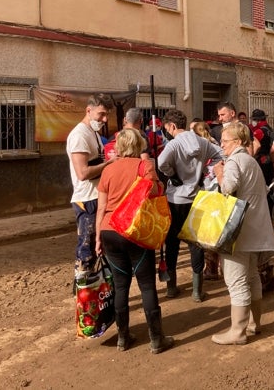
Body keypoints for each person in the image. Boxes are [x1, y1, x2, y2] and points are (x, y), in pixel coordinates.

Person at [95, 129, 174, 354]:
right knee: (146, 284)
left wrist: (97, 237)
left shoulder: (108, 170)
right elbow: (158, 191)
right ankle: (156, 339)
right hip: (135, 231)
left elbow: (101, 207)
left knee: (120, 285)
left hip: (109, 230)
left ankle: (122, 337)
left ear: (118, 146)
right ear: (139, 145)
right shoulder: (144, 166)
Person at [211, 123, 274, 345]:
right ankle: (253, 324)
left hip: (239, 233)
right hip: (255, 230)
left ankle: (237, 332)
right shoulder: (250, 160)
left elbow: (228, 188)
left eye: (225, 141)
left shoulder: (234, 161)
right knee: (251, 277)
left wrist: (219, 172)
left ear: (238, 142)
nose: (221, 145)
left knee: (237, 281)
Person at [157, 109, 224, 301]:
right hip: (196, 198)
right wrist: (205, 170)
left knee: (172, 243)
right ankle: (197, 291)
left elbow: (161, 163)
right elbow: (220, 154)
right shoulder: (202, 142)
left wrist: (173, 175)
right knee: (195, 243)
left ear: (171, 126)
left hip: (175, 200)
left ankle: (171, 288)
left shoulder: (173, 145)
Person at [67, 93, 117, 286]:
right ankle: (83, 293)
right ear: (89, 110)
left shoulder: (94, 133)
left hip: (97, 197)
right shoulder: (79, 135)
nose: (104, 120)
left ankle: (94, 293)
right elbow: (82, 172)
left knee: (98, 247)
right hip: (86, 200)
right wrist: (110, 164)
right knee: (86, 250)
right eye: (101, 114)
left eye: (107, 116)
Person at [191, 121, 222, 281]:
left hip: (206, 194)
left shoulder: (198, 149)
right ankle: (221, 268)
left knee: (209, 234)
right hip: (218, 192)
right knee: (218, 231)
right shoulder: (216, 145)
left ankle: (211, 269)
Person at [250, 109, 274, 186]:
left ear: (257, 120)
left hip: (261, 161)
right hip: (269, 160)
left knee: (262, 184)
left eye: (253, 120)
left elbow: (256, 145)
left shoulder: (259, 132)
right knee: (268, 184)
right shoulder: (269, 129)